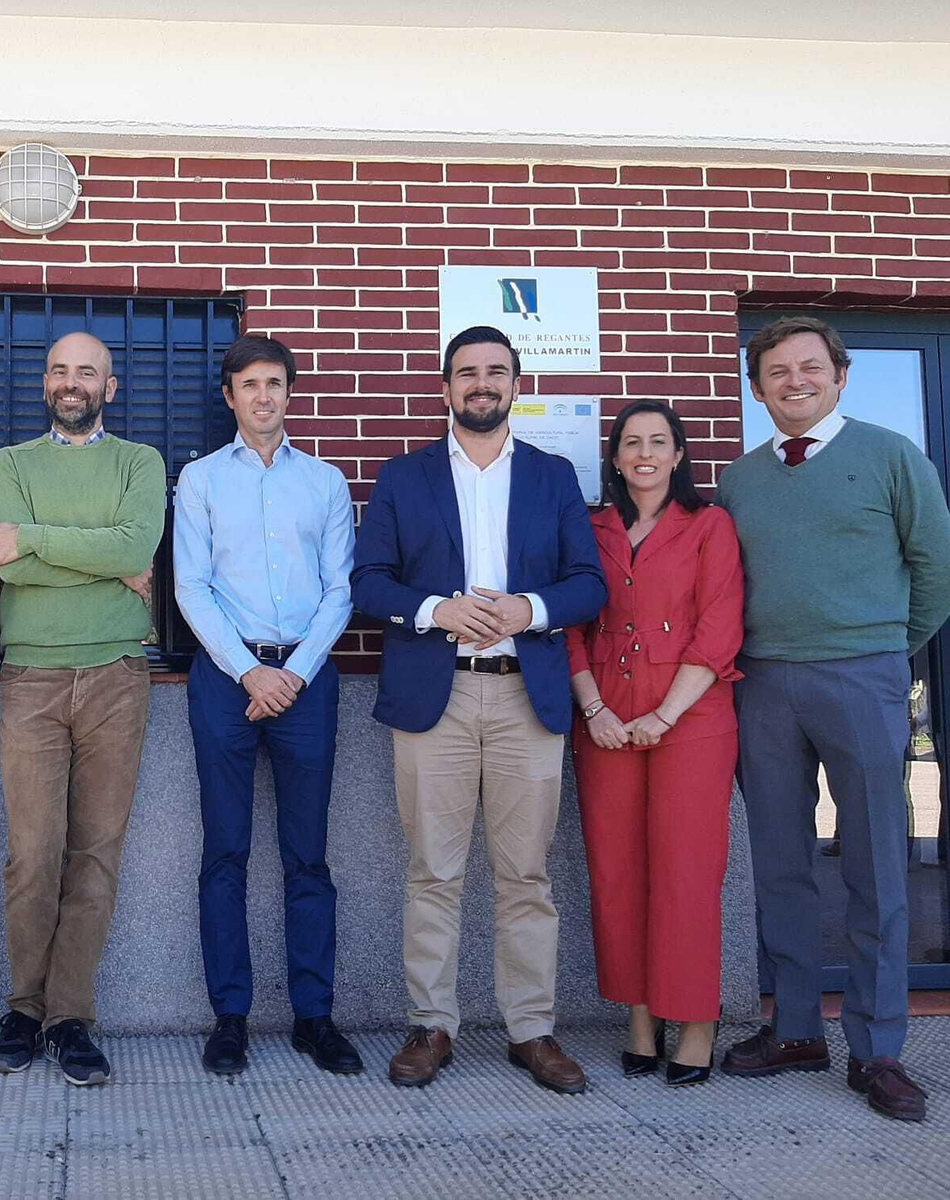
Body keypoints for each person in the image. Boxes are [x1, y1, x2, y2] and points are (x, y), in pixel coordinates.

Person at [351, 325, 606, 1094]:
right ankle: (432, 1025)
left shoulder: (553, 476)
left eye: (496, 371)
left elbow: (589, 584)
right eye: (467, 373)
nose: (482, 384)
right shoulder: (404, 476)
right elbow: (369, 583)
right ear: (446, 388)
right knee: (434, 872)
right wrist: (437, 609)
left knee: (526, 875)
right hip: (440, 692)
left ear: (516, 385)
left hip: (527, 694)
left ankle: (532, 1031)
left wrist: (528, 608)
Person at [718, 316, 950, 1121]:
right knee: (779, 860)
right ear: (757, 388)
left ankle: (878, 1048)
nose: (795, 381)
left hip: (863, 677)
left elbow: (936, 567)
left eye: (810, 367)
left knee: (877, 866)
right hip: (764, 681)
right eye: (776, 371)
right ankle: (793, 1030)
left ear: (840, 375)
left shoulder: (891, 456)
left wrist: (884, 649)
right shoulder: (740, 480)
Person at [0, 331, 165, 1086]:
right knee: (33, 854)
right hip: (32, 677)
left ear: (110, 388)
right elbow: (5, 563)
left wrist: (41, 541)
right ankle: (24, 1008)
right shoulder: (12, 464)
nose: (72, 382)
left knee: (95, 854)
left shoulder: (139, 463)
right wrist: (104, 560)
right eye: (59, 369)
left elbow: (137, 546)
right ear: (46, 382)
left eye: (87, 372)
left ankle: (71, 1016)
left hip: (119, 676)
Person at [173, 334, 361, 1077]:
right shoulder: (200, 481)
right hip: (226, 679)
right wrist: (252, 673)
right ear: (229, 396)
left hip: (308, 682)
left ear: (289, 392)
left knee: (307, 857)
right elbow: (191, 586)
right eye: (249, 384)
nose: (263, 396)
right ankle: (231, 1016)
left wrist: (296, 673)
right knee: (225, 853)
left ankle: (315, 1016)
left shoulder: (324, 481)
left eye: (275, 383)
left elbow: (340, 588)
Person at [566, 400, 743, 1087]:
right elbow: (573, 625)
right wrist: (596, 710)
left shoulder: (710, 525)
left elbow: (719, 623)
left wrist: (665, 715)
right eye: (631, 442)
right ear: (613, 458)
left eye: (657, 442)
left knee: (686, 872)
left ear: (678, 455)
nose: (644, 453)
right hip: (606, 717)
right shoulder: (592, 527)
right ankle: (640, 1016)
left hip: (691, 718)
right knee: (616, 872)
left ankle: (695, 1020)